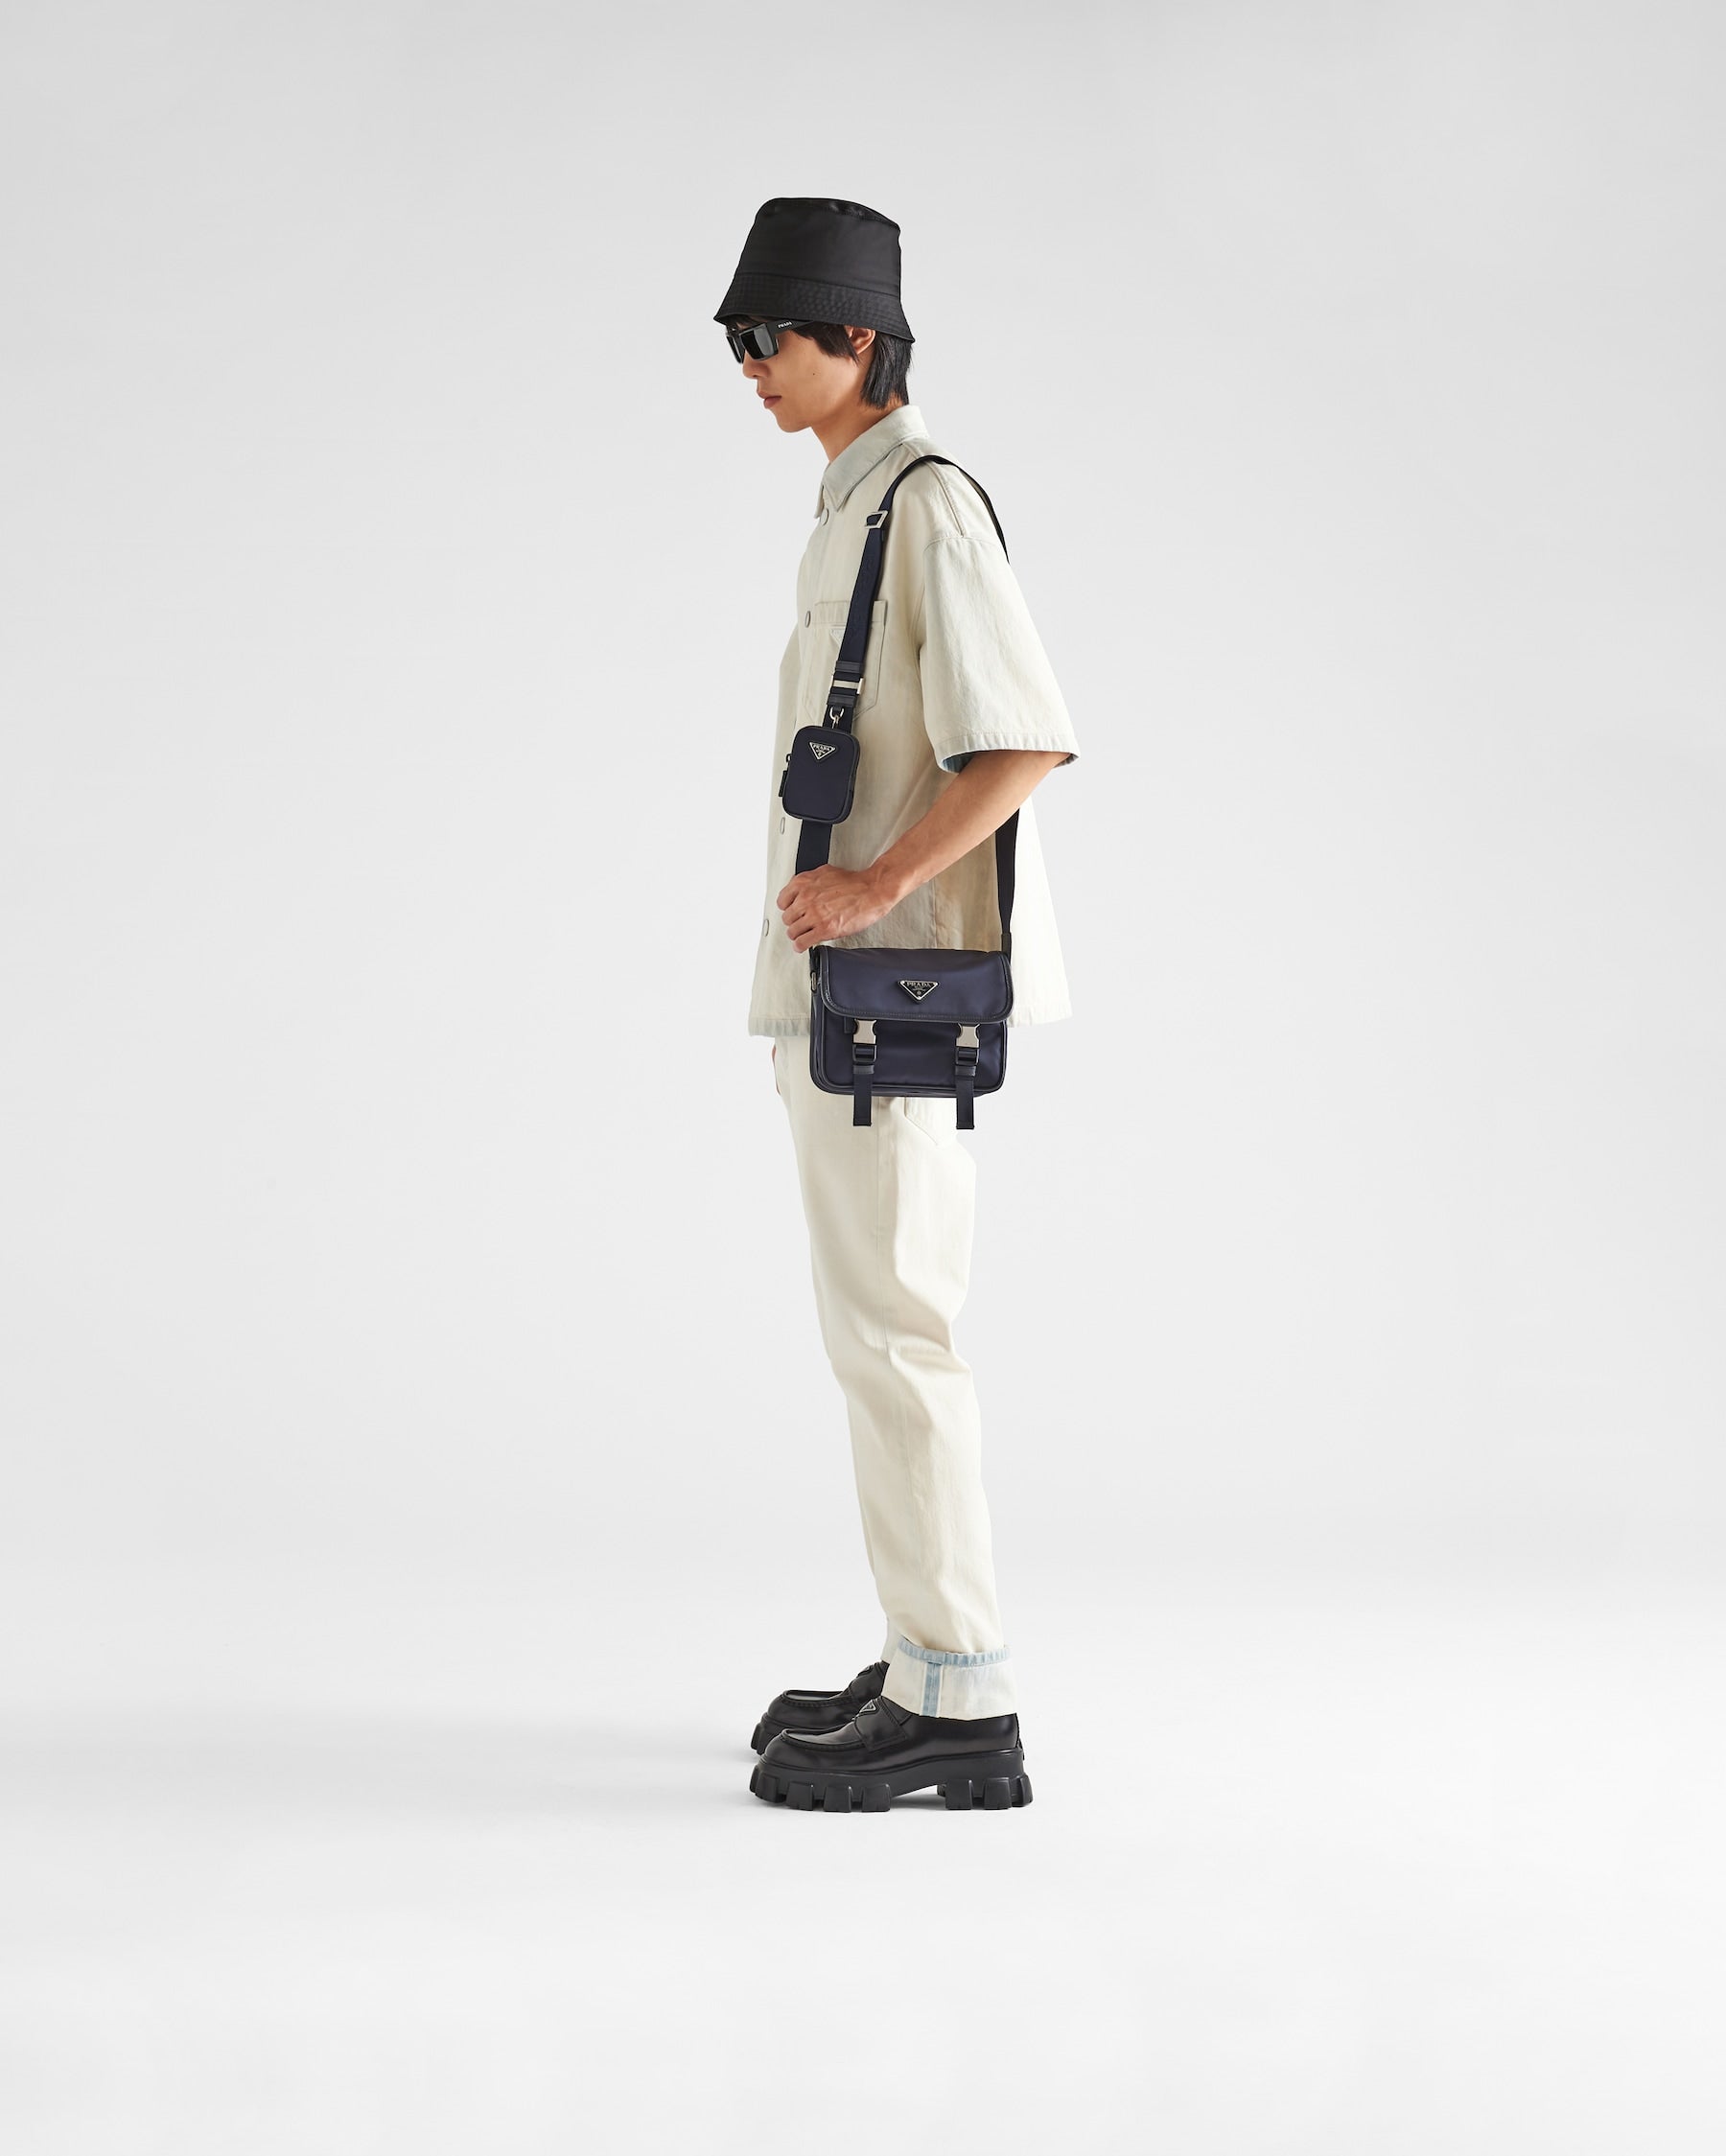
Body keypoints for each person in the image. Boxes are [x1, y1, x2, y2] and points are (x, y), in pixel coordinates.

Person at [714, 197, 1082, 1814]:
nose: (749, 367)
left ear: (856, 337)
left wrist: (870, 890)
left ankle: (961, 1694)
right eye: (737, 343)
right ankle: (923, 1653)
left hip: (895, 1003)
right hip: (850, 1003)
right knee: (876, 1333)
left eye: (768, 337)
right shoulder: (849, 506)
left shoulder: (924, 504)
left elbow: (1024, 740)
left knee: (898, 1335)